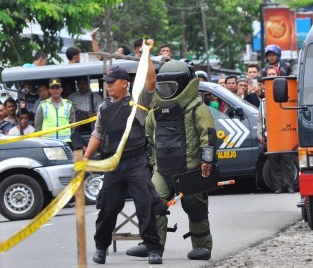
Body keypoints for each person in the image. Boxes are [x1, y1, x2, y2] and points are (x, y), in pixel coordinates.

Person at [82, 39, 163, 265]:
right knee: (108, 208)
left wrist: (146, 54)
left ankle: (153, 249)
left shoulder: (138, 103)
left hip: (136, 162)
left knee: (145, 205)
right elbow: (97, 134)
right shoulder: (104, 108)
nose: (108, 86)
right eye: (106, 82)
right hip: (113, 165)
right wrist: (87, 158)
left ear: (125, 84)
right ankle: (101, 247)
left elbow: (150, 80)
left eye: (112, 82)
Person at [127, 60, 217, 261]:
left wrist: (207, 160)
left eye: (171, 87)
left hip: (191, 168)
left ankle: (202, 246)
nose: (166, 91)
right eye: (163, 87)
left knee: (195, 206)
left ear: (184, 85)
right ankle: (152, 246)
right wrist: (151, 161)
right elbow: (148, 137)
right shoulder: (156, 111)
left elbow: (208, 135)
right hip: (163, 169)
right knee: (153, 203)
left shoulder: (197, 108)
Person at [257, 69, 297, 194]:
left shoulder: (287, 97)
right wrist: (259, 134)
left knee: (288, 161)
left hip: (285, 135)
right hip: (271, 136)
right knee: (274, 162)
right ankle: (278, 187)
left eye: (273, 74)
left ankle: (289, 186)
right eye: (269, 75)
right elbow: (259, 120)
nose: (271, 77)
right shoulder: (263, 102)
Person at [34, 78, 76, 144]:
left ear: (61, 90)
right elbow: (38, 125)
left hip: (65, 141)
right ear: (49, 90)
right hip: (48, 141)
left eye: (57, 88)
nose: (55, 90)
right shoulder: (42, 105)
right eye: (53, 88)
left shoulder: (68, 105)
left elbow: (73, 125)